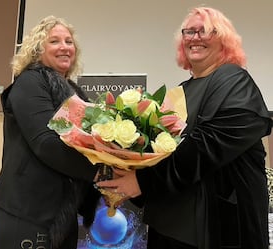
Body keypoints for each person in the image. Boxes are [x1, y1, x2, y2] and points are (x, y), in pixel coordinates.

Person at [97, 6, 273, 249]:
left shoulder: (234, 81)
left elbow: (208, 147)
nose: (195, 37)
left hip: (216, 230)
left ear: (223, 39)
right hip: (168, 227)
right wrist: (124, 173)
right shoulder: (181, 90)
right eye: (189, 32)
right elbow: (160, 153)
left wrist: (142, 182)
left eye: (205, 31)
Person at [0, 16, 101, 249]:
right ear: (38, 49)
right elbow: (45, 143)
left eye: (69, 42)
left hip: (62, 215)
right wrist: (100, 173)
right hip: (25, 212)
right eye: (54, 41)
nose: (64, 47)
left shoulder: (76, 94)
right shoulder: (30, 82)